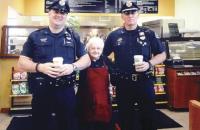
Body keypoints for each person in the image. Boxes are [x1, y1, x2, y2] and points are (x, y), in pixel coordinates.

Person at [17, 0, 91, 130]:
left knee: (67, 125)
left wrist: (72, 67)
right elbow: (21, 62)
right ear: (49, 13)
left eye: (63, 12)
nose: (59, 14)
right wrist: (39, 67)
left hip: (66, 91)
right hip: (42, 91)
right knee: (40, 124)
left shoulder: (73, 36)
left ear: (66, 16)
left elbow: (86, 60)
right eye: (56, 11)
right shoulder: (35, 36)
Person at [103, 1, 166, 130]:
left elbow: (162, 54)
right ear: (122, 16)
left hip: (145, 82)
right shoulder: (114, 36)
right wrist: (113, 68)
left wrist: (149, 64)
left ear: (138, 14)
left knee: (148, 118)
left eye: (133, 12)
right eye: (126, 13)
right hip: (123, 84)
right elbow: (103, 55)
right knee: (126, 119)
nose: (130, 15)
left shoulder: (149, 33)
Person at [77, 37, 112, 130]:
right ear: (88, 49)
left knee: (103, 124)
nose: (96, 51)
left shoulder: (106, 60)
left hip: (103, 99)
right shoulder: (83, 61)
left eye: (98, 48)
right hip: (85, 99)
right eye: (93, 48)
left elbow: (114, 75)